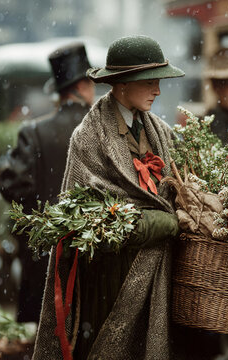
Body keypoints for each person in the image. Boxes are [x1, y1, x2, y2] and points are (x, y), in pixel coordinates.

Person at [32, 35, 184, 360]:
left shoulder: (160, 130)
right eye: (150, 82)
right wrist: (164, 223)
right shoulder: (88, 137)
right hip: (108, 279)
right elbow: (89, 221)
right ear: (122, 84)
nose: (158, 90)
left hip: (156, 276)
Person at [0, 42, 95, 323]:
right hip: (93, 250)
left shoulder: (34, 132)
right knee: (82, 328)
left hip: (46, 252)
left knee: (44, 331)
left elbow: (13, 185)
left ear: (59, 92)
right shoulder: (101, 131)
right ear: (84, 86)